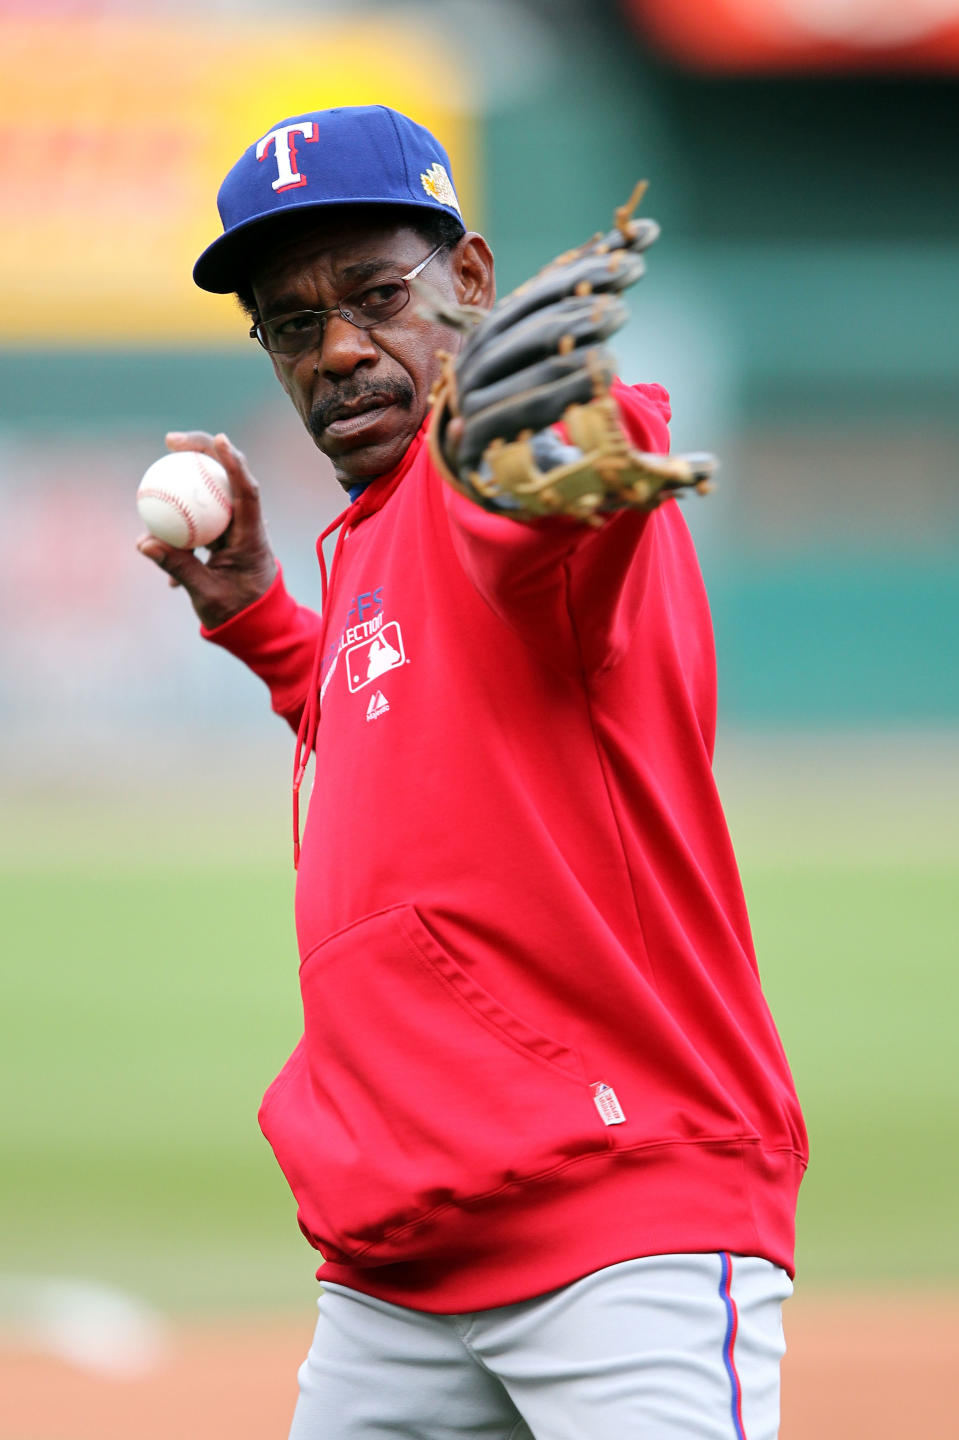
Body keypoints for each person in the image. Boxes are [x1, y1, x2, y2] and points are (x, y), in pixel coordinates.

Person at [138, 105, 807, 1440]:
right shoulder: (375, 534)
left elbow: (556, 505)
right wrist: (264, 620)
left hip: (621, 1230)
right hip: (398, 1260)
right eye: (289, 322)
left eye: (376, 295)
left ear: (477, 283)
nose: (336, 348)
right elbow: (403, 741)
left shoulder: (506, 485)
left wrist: (552, 444)